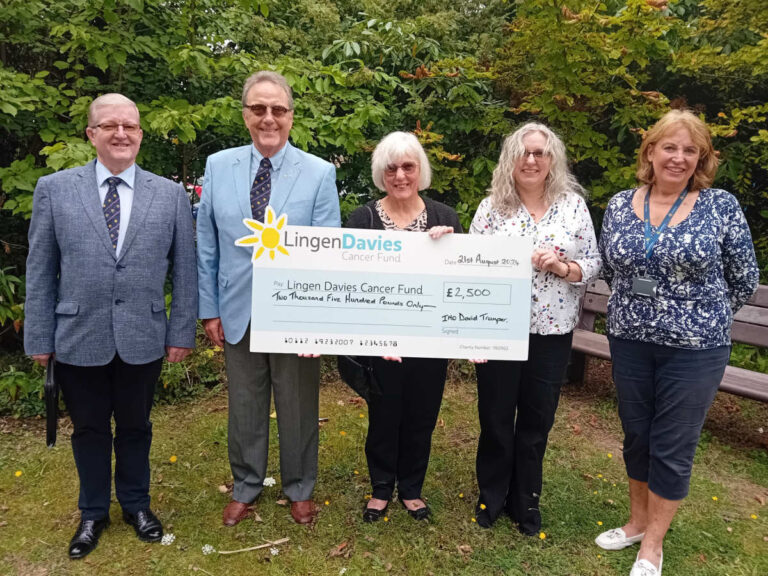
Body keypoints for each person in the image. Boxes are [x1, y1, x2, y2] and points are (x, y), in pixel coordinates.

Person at [24, 93, 198, 559]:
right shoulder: (55, 189)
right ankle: (93, 512)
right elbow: (40, 268)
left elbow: (185, 270)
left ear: (140, 134)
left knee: (137, 426)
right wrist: (39, 336)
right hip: (78, 334)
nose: (121, 134)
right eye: (110, 126)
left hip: (144, 333)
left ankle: (137, 505)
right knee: (89, 429)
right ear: (91, 134)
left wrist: (181, 331)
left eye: (130, 126)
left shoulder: (170, 194)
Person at [595, 109, 758, 576]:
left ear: (701, 159)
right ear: (650, 151)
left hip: (695, 349)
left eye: (690, 150)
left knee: (672, 442)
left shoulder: (720, 205)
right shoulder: (621, 204)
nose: (679, 157)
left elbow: (744, 277)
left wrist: (699, 315)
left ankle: (653, 545)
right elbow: (611, 268)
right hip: (629, 340)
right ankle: (636, 523)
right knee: (637, 435)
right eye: (670, 147)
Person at [196, 71, 341, 526]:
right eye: (258, 108)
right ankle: (246, 485)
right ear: (245, 115)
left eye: (278, 109)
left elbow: (328, 250)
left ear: (291, 116)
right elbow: (207, 243)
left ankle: (299, 487)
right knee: (244, 405)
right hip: (236, 307)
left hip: (295, 312)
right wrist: (209, 308)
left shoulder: (319, 173)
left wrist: (318, 320)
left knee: (297, 405)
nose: (268, 118)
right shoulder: (218, 166)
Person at [469, 122, 601, 534]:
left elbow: (593, 262)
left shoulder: (573, 207)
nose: (531, 160)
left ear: (551, 160)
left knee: (537, 419)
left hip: (552, 331)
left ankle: (525, 499)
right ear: (511, 159)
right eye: (523, 153)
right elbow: (468, 267)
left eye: (539, 153)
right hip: (498, 329)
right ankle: (492, 495)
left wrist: (563, 267)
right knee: (495, 416)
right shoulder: (491, 208)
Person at [346, 131, 461, 522]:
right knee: (383, 415)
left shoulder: (445, 218)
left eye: (408, 167)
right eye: (391, 168)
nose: (400, 176)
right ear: (381, 174)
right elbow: (349, 285)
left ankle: (411, 488)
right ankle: (381, 488)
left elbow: (461, 282)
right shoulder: (362, 219)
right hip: (379, 342)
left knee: (422, 416)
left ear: (420, 170)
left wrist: (451, 248)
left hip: (430, 342)